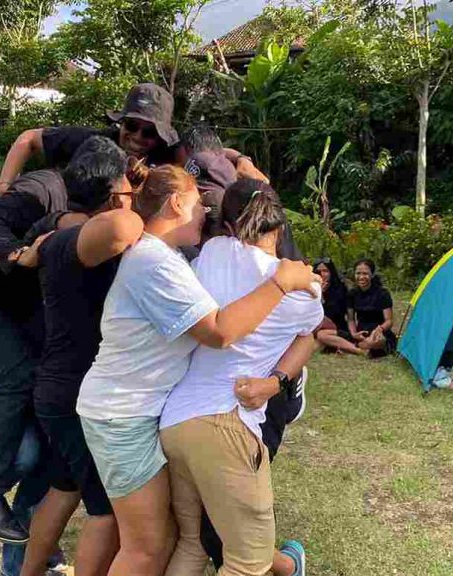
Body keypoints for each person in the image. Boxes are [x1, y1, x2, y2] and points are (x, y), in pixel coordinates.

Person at [76, 165, 319, 576]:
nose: (203, 213)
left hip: (162, 416)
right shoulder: (155, 263)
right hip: (129, 415)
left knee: (175, 543)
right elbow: (220, 331)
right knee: (149, 549)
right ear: (176, 203)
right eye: (197, 203)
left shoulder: (194, 257)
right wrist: (282, 280)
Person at [0, 136, 125, 558]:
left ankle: (32, 555)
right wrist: (19, 255)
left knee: (41, 454)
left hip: (14, 323)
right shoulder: (41, 189)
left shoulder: (72, 217)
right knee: (22, 440)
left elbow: (64, 231)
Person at [160, 180, 322, 576]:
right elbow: (310, 336)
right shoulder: (302, 293)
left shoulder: (212, 252)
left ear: (228, 228)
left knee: (192, 545)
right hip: (226, 423)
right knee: (248, 563)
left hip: (176, 422)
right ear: (281, 227)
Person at [21, 148, 143, 576]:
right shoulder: (79, 240)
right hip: (77, 392)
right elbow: (124, 227)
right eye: (128, 189)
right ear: (111, 196)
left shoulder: (55, 239)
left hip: (58, 386)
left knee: (63, 486)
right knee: (107, 508)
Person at [0, 83, 267, 196]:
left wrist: (244, 161)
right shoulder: (97, 144)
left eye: (148, 132)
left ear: (160, 135)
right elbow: (29, 138)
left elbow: (212, 154)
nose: (137, 137)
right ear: (121, 122)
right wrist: (5, 185)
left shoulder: (169, 153)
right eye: (131, 125)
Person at [313, 258, 365, 355]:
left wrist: (322, 296)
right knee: (311, 346)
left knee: (321, 336)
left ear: (331, 272)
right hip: (315, 328)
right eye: (318, 271)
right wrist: (317, 293)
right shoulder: (310, 288)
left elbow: (335, 313)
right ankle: (338, 346)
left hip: (336, 327)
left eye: (325, 271)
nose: (322, 274)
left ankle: (358, 351)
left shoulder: (340, 288)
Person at [347, 259, 397, 358]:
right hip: (361, 332)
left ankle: (358, 348)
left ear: (372, 274)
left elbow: (389, 321)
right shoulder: (352, 294)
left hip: (379, 332)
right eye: (358, 273)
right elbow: (351, 319)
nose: (361, 277)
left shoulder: (383, 293)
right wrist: (353, 333)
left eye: (365, 273)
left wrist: (379, 329)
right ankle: (362, 347)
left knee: (376, 342)